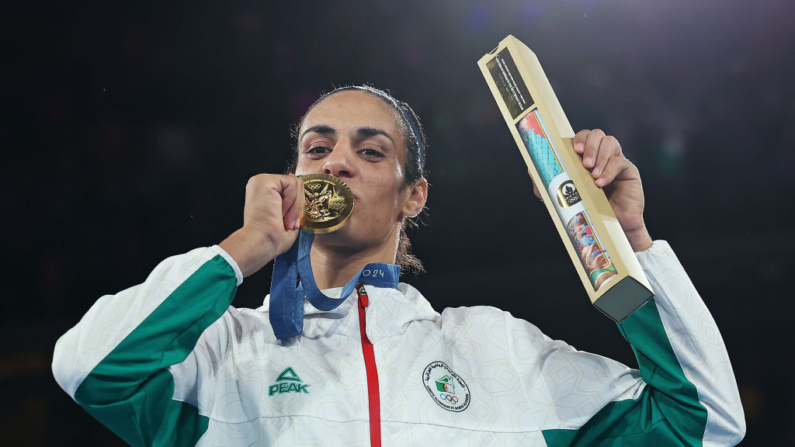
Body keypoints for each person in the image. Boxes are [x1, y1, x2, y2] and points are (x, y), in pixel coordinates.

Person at [52, 85, 745, 446]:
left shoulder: (491, 347)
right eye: (316, 147)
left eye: (370, 150)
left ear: (412, 196)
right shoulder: (223, 353)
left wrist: (625, 239)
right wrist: (244, 249)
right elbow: (88, 367)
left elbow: (704, 422)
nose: (337, 162)